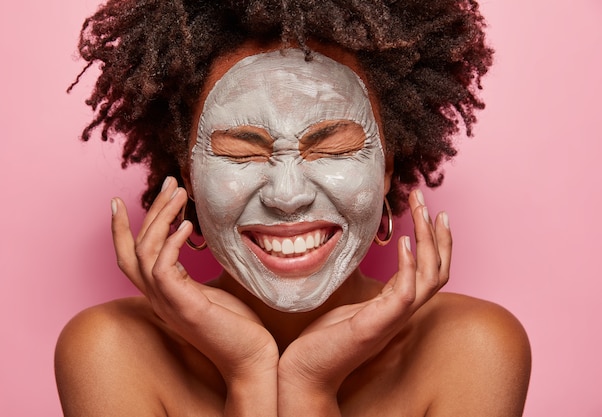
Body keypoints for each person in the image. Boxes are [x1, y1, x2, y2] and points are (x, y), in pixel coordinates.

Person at [55, 0, 531, 416]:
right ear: (189, 175)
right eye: (242, 152)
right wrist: (249, 371)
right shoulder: (107, 349)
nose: (286, 196)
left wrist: (309, 384)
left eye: (334, 148)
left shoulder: (475, 347)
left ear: (387, 166)